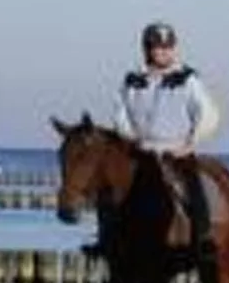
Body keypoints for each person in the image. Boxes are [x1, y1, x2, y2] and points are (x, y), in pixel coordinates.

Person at [86, 21, 221, 259]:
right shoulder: (132, 80)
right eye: (156, 48)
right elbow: (120, 113)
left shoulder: (188, 80)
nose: (162, 52)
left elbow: (207, 112)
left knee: (193, 185)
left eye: (167, 47)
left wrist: (190, 142)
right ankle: (105, 237)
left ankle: (204, 236)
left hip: (176, 150)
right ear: (146, 49)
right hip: (142, 150)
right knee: (112, 189)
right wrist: (132, 138)